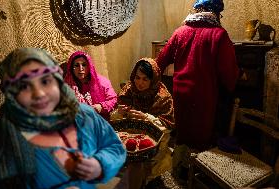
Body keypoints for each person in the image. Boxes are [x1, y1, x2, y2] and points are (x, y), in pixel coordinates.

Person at [0, 47, 126, 189]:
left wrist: (99, 165)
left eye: (45, 81)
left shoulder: (83, 115)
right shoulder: (8, 132)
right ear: (12, 94)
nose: (39, 94)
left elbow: (113, 146)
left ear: (57, 81)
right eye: (24, 86)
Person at [156, 0, 239, 179]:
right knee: (201, 137)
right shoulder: (219, 35)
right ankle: (197, 174)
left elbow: (159, 62)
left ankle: (180, 170)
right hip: (203, 96)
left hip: (180, 94)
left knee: (183, 134)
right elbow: (229, 75)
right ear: (215, 13)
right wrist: (237, 78)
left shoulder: (180, 32)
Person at [110, 58, 174, 189]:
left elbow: (168, 126)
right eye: (137, 77)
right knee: (134, 162)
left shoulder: (163, 97)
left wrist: (147, 117)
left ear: (153, 79)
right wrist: (120, 112)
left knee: (140, 163)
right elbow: (116, 119)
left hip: (157, 137)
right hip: (131, 133)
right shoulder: (129, 89)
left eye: (145, 79)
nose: (140, 83)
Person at [63, 51, 117, 120]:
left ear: (89, 66)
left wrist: (101, 107)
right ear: (71, 68)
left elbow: (113, 99)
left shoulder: (102, 82)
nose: (80, 69)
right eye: (76, 65)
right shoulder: (66, 86)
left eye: (84, 65)